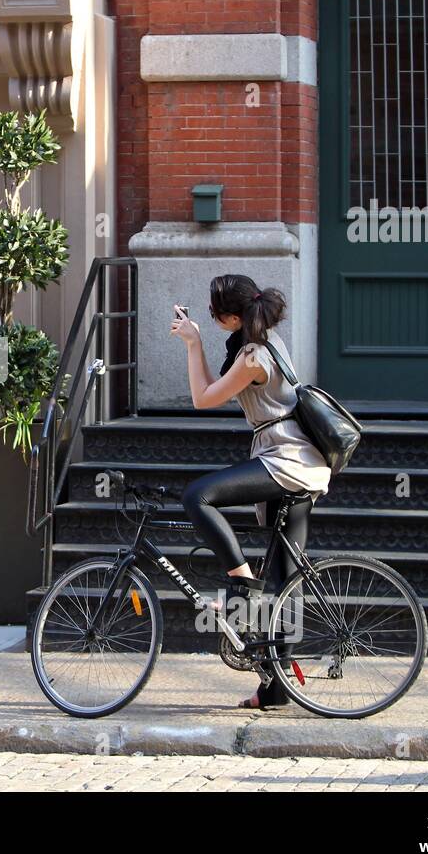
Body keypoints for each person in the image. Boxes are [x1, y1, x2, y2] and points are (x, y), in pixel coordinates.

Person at [169, 274, 331, 710]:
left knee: (198, 496)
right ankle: (276, 691)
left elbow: (202, 400)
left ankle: (240, 578)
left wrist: (191, 344)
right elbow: (212, 390)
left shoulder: (253, 356)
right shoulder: (266, 342)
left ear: (233, 316)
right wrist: (198, 343)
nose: (210, 317)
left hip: (286, 461)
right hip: (301, 463)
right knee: (284, 582)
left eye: (215, 311)